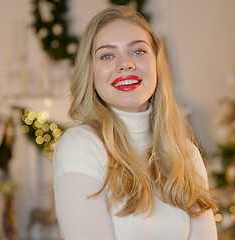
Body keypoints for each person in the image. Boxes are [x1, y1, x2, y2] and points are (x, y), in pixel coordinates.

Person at [52, 5, 217, 240]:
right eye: (107, 55)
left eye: (138, 51)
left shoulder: (187, 154)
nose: (126, 63)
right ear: (90, 73)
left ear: (157, 64)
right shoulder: (81, 146)